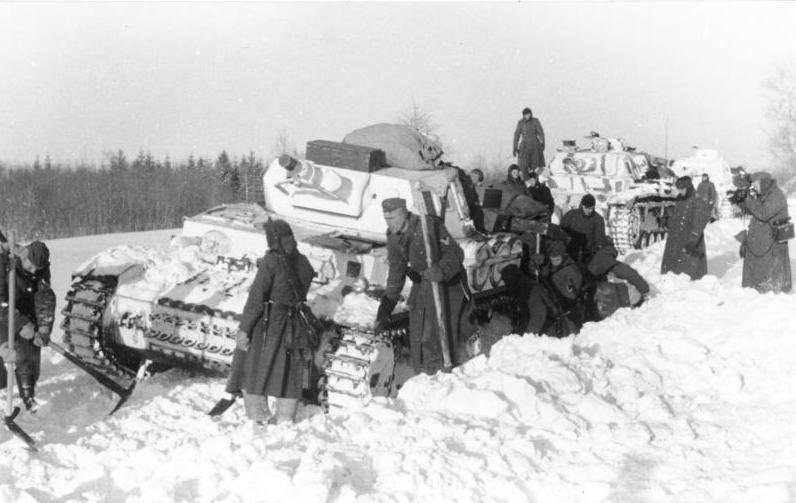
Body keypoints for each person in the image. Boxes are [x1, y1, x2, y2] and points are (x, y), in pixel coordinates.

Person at [225, 219, 318, 426]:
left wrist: (245, 328)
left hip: (270, 323)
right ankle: (285, 417)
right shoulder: (303, 261)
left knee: (254, 366)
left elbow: (256, 298)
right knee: (289, 371)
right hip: (295, 324)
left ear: (272, 239)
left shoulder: (272, 261)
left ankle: (258, 415)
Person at [375, 197, 473, 374]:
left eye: (391, 219)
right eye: (385, 219)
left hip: (448, 285)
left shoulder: (429, 227)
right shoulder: (393, 238)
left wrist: (441, 270)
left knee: (441, 332)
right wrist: (388, 303)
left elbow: (456, 254)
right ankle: (425, 372)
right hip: (424, 284)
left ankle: (447, 371)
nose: (388, 223)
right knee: (420, 331)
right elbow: (397, 271)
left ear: (403, 214)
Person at [0, 241, 56, 412]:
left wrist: (44, 328)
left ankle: (28, 397)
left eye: (37, 269)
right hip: (3, 312)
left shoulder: (41, 269)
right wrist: (21, 324)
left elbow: (45, 298)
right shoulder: (5, 263)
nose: (34, 271)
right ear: (23, 256)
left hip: (23, 312)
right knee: (6, 356)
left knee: (29, 355)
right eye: (30, 266)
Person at [739, 172, 792, 293]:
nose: (754, 187)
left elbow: (763, 213)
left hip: (772, 240)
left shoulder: (776, 195)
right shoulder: (765, 194)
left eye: (756, 184)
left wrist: (749, 199)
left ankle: (769, 289)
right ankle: (756, 286)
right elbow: (755, 210)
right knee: (760, 266)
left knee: (772, 268)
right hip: (763, 239)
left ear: (764, 182)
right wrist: (743, 201)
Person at [526, 240, 584, 338]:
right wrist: (535, 264)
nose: (554, 262)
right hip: (551, 301)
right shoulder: (553, 266)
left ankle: (529, 335)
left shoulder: (571, 270)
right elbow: (539, 273)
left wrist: (555, 280)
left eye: (557, 259)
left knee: (537, 291)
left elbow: (570, 295)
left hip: (563, 309)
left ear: (564, 256)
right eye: (552, 259)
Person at [661, 176, 712, 280]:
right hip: (676, 237)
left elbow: (700, 222)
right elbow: (676, 216)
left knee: (689, 267)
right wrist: (668, 221)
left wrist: (693, 239)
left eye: (682, 189)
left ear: (688, 188)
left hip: (689, 238)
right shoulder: (680, 199)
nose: (680, 191)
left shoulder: (697, 200)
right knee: (673, 265)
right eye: (679, 189)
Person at [560, 194, 606, 267]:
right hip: (570, 250)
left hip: (587, 252)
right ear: (582, 205)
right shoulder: (571, 214)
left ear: (594, 207)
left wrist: (597, 250)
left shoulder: (598, 219)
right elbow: (561, 231)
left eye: (590, 208)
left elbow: (599, 237)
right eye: (585, 207)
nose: (588, 210)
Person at [512, 107, 546, 175]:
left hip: (535, 145)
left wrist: (542, 143)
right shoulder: (521, 123)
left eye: (528, 114)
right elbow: (516, 135)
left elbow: (541, 133)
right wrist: (515, 148)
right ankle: (524, 180)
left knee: (536, 166)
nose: (527, 116)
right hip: (524, 146)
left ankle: (536, 180)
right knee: (523, 165)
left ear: (531, 114)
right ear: (523, 115)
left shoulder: (535, 121)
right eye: (526, 115)